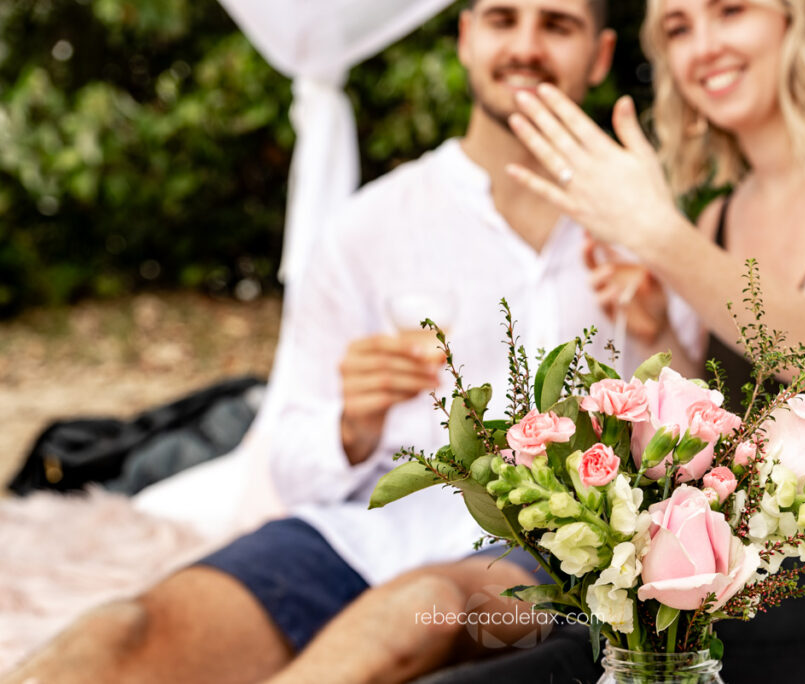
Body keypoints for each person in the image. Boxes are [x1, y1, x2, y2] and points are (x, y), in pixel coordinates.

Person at [0, 2, 702, 684]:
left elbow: (700, 459)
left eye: (556, 24)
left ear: (601, 54)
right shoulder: (370, 227)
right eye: (501, 18)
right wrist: (353, 424)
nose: (525, 45)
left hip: (547, 560)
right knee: (119, 632)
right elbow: (291, 463)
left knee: (407, 616)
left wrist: (654, 331)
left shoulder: (643, 224)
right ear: (465, 38)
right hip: (359, 538)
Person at [427, 0, 805, 681]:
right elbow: (724, 430)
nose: (703, 45)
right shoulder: (722, 219)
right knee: (524, 636)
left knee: (579, 667)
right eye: (677, 27)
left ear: (797, 20)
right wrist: (655, 327)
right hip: (759, 567)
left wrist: (654, 230)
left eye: (730, 10)